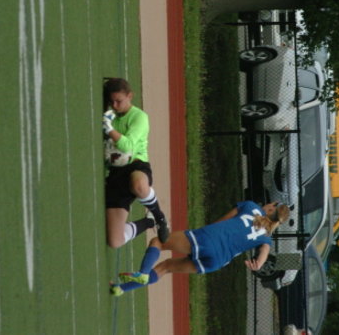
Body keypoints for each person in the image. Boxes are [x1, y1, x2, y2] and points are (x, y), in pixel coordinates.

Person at [109, 201, 290, 296]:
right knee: (166, 267)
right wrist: (257, 265)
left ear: (271, 209)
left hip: (208, 239)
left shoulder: (251, 206)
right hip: (217, 261)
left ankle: (142, 273)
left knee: (158, 242)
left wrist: (204, 234)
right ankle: (120, 289)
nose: (268, 204)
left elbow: (223, 220)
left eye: (271, 204)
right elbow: (263, 254)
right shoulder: (266, 237)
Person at [102, 78, 169, 247]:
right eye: (112, 101)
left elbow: (128, 147)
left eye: (119, 101)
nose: (115, 105)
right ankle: (149, 221)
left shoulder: (139, 117)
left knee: (139, 185)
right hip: (116, 174)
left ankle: (159, 216)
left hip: (136, 166)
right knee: (115, 241)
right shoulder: (111, 116)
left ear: (130, 96)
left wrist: (109, 129)